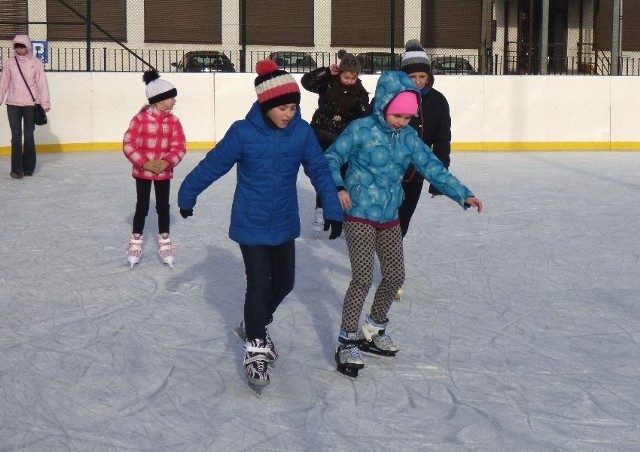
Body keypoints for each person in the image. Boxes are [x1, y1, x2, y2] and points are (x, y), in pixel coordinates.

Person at [177, 60, 344, 391]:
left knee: (285, 283)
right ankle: (255, 345)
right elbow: (213, 164)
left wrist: (333, 209)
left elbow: (319, 170)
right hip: (250, 222)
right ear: (267, 105)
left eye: (294, 107)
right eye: (282, 107)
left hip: (283, 221)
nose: (289, 114)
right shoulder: (243, 132)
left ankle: (252, 323)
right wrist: (187, 194)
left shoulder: (301, 132)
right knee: (259, 285)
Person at [324, 70, 482, 378]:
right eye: (397, 115)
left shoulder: (408, 137)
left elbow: (432, 167)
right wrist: (339, 187)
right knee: (362, 277)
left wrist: (463, 194)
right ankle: (347, 340)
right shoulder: (360, 129)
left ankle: (373, 328)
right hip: (358, 213)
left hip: (389, 215)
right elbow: (330, 158)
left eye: (408, 117)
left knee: (395, 275)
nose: (401, 122)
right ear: (382, 105)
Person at [301, 49, 370, 235]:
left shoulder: (360, 94)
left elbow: (365, 117)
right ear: (339, 72)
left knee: (343, 177)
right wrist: (325, 72)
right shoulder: (327, 84)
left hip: (343, 142)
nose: (349, 80)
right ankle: (320, 210)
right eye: (346, 76)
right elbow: (306, 82)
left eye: (352, 77)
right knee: (324, 176)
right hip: (321, 136)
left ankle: (342, 215)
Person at [123, 70, 186, 268]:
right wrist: (145, 162)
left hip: (163, 172)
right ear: (160, 99)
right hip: (143, 171)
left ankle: (165, 240)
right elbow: (128, 143)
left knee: (163, 206)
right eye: (171, 97)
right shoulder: (140, 119)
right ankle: (136, 240)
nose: (174, 101)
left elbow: (179, 146)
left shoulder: (173, 121)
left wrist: (167, 162)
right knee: (141, 205)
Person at [398, 39, 452, 238]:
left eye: (422, 76)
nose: (418, 81)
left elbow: (442, 141)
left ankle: (390, 262)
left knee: (402, 221)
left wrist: (439, 178)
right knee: (384, 220)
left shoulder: (437, 101)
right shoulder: (389, 97)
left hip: (415, 175)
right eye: (412, 76)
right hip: (386, 172)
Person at [0, 35, 51, 179]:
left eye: (22, 46)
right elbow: (3, 82)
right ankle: (16, 169)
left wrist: (45, 102)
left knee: (28, 136)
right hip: (13, 104)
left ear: (27, 47)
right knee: (16, 137)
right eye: (16, 46)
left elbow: (42, 84)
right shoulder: (10, 63)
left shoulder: (36, 63)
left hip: (30, 104)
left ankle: (28, 167)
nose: (19, 49)